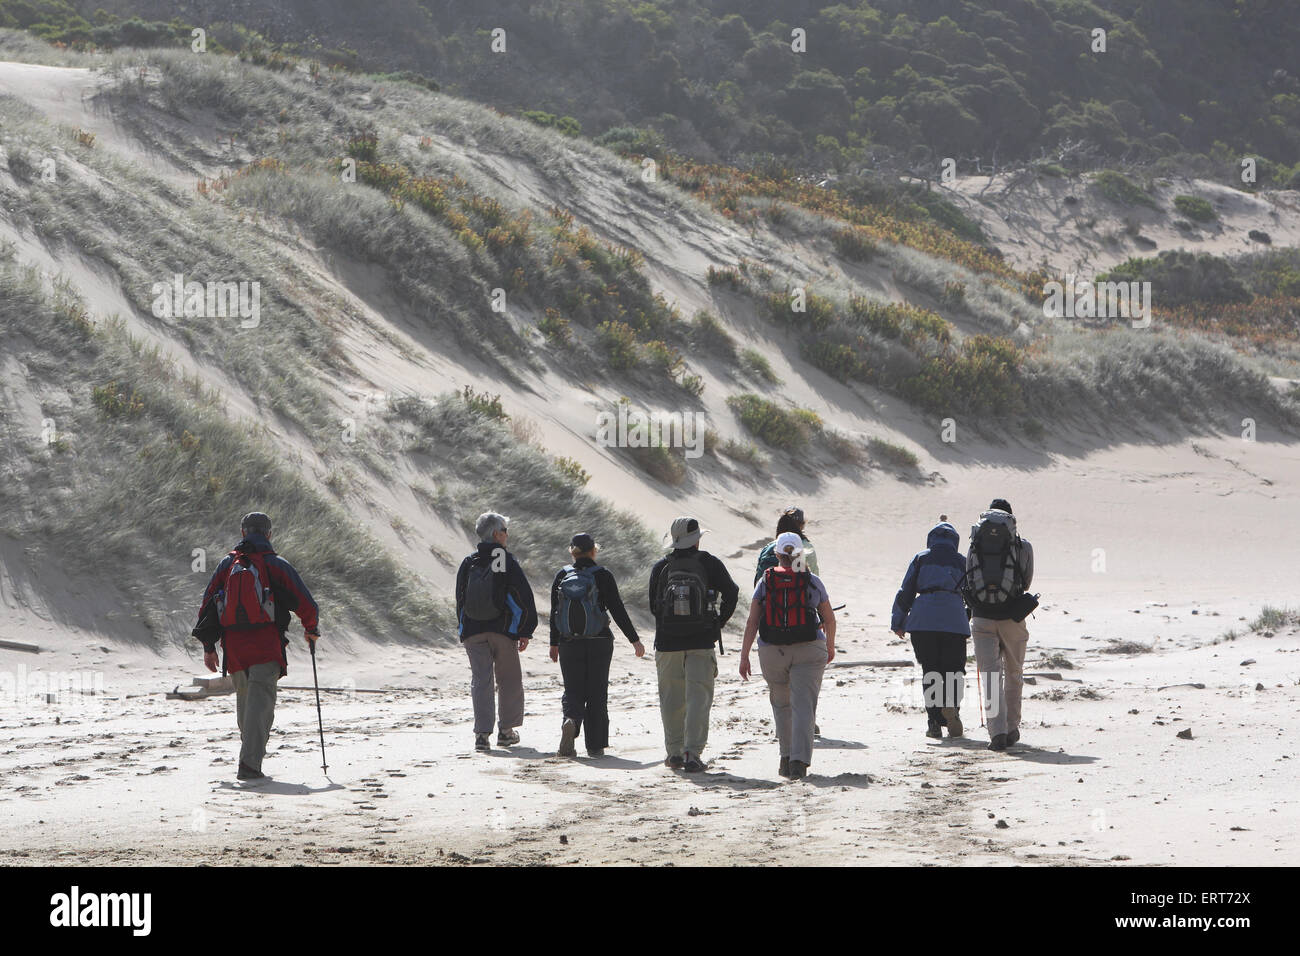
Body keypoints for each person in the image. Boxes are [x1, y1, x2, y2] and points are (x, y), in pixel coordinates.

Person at [194, 512, 320, 782]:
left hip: (235, 648)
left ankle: (249, 756)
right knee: (261, 706)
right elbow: (305, 603)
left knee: (246, 704)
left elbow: (207, 607)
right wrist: (311, 629)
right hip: (265, 645)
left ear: (242, 533)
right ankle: (249, 765)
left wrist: (208, 646)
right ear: (269, 534)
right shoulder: (276, 564)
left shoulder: (227, 564)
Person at [739, 532, 836, 780]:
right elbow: (829, 617)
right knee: (804, 706)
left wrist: (744, 655)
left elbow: (752, 621)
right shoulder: (812, 580)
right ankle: (799, 762)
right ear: (801, 554)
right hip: (809, 648)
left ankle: (785, 756)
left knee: (781, 704)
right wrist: (831, 646)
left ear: (777, 554)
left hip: (772, 651)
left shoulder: (766, 580)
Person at [648, 516, 739, 772]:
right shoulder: (710, 563)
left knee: (671, 699)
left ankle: (673, 753)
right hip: (701, 640)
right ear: (697, 539)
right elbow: (732, 593)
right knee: (699, 698)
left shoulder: (661, 567)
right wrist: (717, 622)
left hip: (667, 643)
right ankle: (692, 753)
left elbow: (653, 606)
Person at [548, 533, 645, 758]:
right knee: (596, 691)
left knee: (572, 689)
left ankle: (570, 722)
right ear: (594, 550)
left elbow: (555, 613)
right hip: (600, 641)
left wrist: (554, 643)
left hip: (569, 642)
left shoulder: (562, 575)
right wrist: (634, 640)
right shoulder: (602, 575)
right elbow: (617, 609)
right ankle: (595, 745)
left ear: (572, 552)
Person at [456, 512, 538, 752]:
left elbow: (460, 599)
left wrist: (463, 629)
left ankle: (482, 735)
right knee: (509, 680)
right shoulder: (503, 559)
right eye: (505, 530)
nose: (507, 535)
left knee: (480, 681)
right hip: (503, 630)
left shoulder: (469, 562)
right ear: (497, 534)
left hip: (473, 630)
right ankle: (505, 731)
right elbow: (521, 595)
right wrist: (525, 630)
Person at [964, 499, 1036, 752]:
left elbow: (970, 576)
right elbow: (1025, 582)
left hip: (981, 617)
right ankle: (1012, 727)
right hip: (1012, 618)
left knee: (990, 677)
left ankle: (997, 734)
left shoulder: (975, 542)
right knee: (1014, 674)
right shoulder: (1022, 546)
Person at [891, 517, 970, 740]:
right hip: (954, 619)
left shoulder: (921, 558)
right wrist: (967, 618)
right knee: (954, 670)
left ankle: (934, 722)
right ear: (955, 541)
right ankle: (952, 709)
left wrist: (898, 621)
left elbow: (905, 591)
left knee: (931, 671)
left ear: (931, 540)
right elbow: (971, 594)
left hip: (924, 620)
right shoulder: (962, 561)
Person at [754, 506, 819, 584]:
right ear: (801, 525)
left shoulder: (769, 547)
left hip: (771, 594)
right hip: (799, 594)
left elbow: (758, 582)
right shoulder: (807, 548)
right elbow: (815, 582)